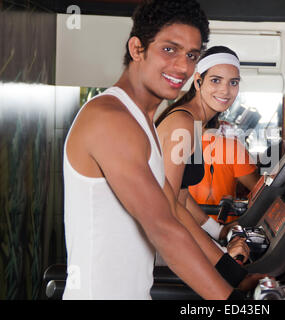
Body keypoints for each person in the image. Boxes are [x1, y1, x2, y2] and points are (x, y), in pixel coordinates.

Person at [62, 0, 251, 300]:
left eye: (191, 55)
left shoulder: (144, 123)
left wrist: (234, 272)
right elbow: (164, 228)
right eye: (169, 49)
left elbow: (171, 209)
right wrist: (235, 300)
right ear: (137, 49)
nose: (183, 66)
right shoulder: (111, 119)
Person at [156, 46, 246, 241]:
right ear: (198, 81)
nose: (225, 90)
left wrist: (217, 231)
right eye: (215, 80)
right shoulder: (184, 123)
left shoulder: (197, 124)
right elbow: (168, 207)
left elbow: (182, 195)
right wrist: (219, 256)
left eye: (233, 82)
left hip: (168, 234)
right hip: (153, 240)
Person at [188, 117, 260, 223]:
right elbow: (259, 190)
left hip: (184, 226)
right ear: (218, 122)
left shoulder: (176, 145)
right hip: (222, 227)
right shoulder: (232, 146)